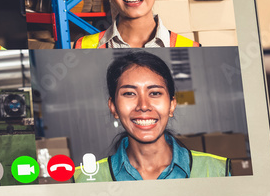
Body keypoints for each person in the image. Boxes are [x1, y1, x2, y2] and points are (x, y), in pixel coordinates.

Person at [74, 51, 229, 181]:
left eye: (155, 93)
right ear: (113, 107)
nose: (143, 105)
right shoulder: (85, 178)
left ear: (171, 105)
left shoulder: (218, 171)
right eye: (129, 93)